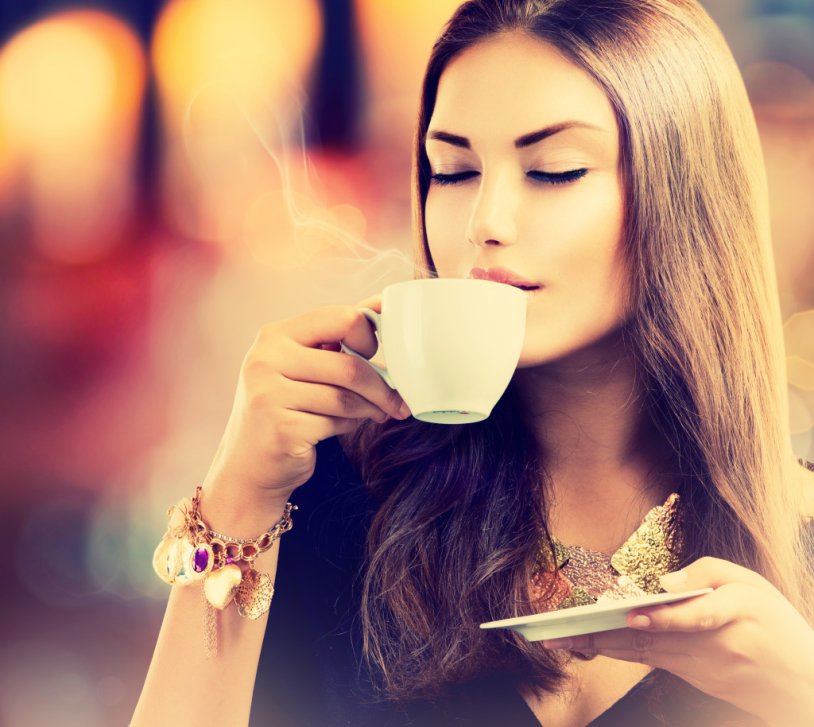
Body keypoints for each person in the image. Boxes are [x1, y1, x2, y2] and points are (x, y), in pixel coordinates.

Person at [132, 1, 814, 725]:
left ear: (685, 198)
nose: (486, 222)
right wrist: (238, 492)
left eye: (554, 170)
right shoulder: (338, 498)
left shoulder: (797, 538)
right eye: (453, 171)